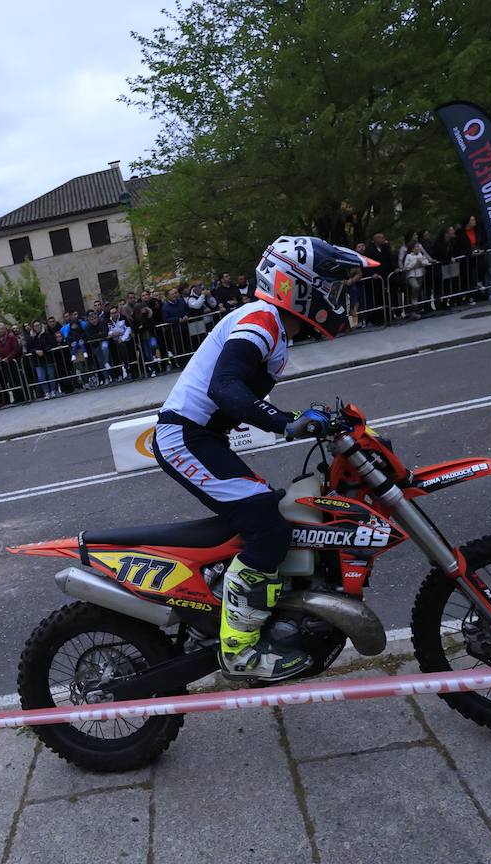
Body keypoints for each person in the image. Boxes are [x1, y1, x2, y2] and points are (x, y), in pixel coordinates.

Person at [153, 235, 363, 681]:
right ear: (300, 285)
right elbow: (225, 389)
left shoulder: (274, 328)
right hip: (184, 438)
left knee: (271, 507)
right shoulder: (261, 318)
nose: (338, 296)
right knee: (268, 523)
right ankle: (239, 649)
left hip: (202, 438)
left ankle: (244, 604)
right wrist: (286, 422)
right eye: (332, 286)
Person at [402, 238, 435, 313]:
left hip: (420, 274)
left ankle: (415, 307)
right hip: (411, 275)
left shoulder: (420, 254)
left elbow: (426, 262)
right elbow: (406, 267)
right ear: (412, 248)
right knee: (415, 286)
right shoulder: (408, 256)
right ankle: (414, 301)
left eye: (418, 247)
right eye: (416, 247)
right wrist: (415, 262)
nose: (418, 248)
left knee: (418, 289)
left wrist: (422, 262)